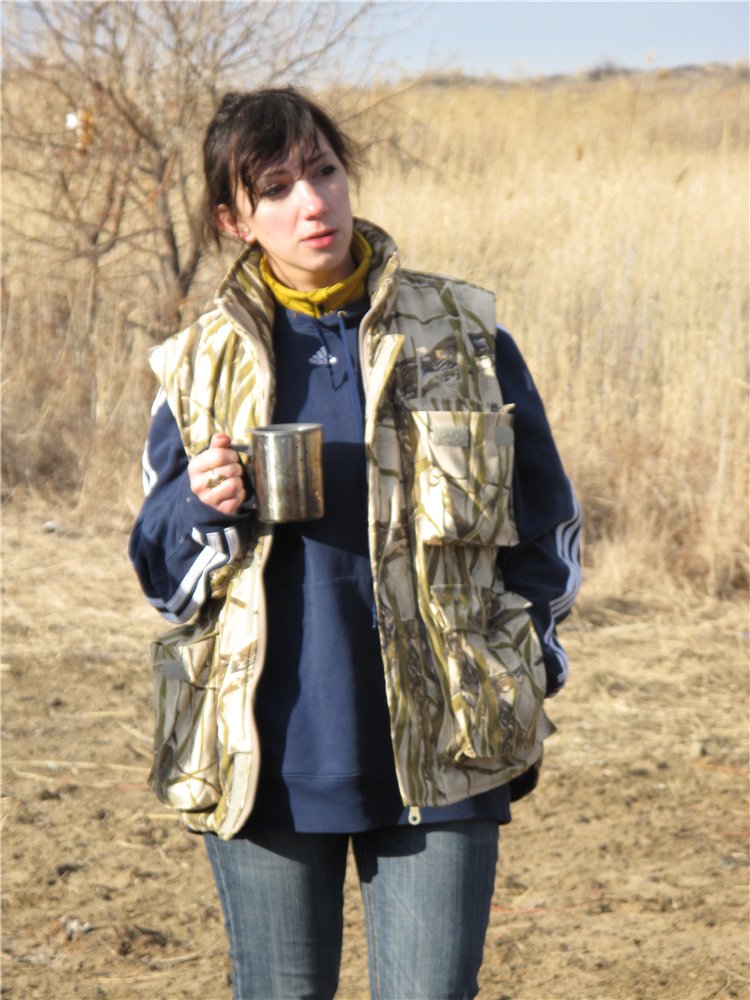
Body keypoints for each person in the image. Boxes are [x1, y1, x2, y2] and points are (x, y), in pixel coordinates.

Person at [129, 86, 582, 1000]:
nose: (313, 203)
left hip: (446, 749)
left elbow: (548, 530)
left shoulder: (464, 335)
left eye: (325, 172)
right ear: (233, 221)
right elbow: (160, 573)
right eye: (277, 188)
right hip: (265, 761)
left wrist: (522, 662)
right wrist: (204, 506)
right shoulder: (199, 363)